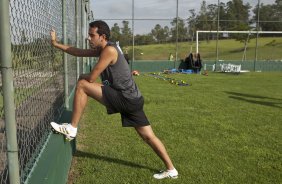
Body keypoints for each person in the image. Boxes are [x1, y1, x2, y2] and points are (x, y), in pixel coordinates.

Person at [50, 20, 178, 179]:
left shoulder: (109, 51)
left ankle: (72, 128)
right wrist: (56, 44)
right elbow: (78, 52)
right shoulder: (105, 47)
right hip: (133, 99)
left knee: (83, 85)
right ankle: (171, 169)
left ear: (102, 36)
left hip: (125, 98)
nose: (89, 38)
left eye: (92, 35)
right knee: (148, 136)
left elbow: (91, 78)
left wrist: (81, 77)